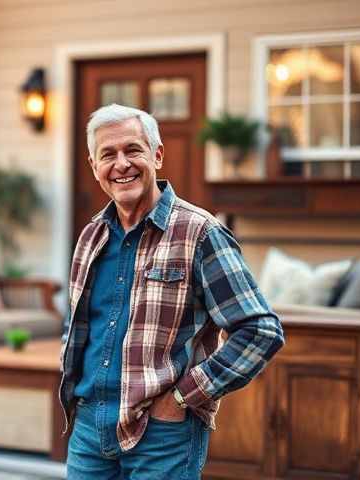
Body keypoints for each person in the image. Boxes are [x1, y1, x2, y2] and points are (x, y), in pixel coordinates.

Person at [59, 103, 285, 479]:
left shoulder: (200, 233)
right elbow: (77, 325)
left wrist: (183, 397)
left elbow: (261, 331)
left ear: (157, 155)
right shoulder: (90, 237)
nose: (122, 164)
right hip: (89, 430)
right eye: (108, 155)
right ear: (94, 166)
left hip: (162, 434)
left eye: (133, 150)